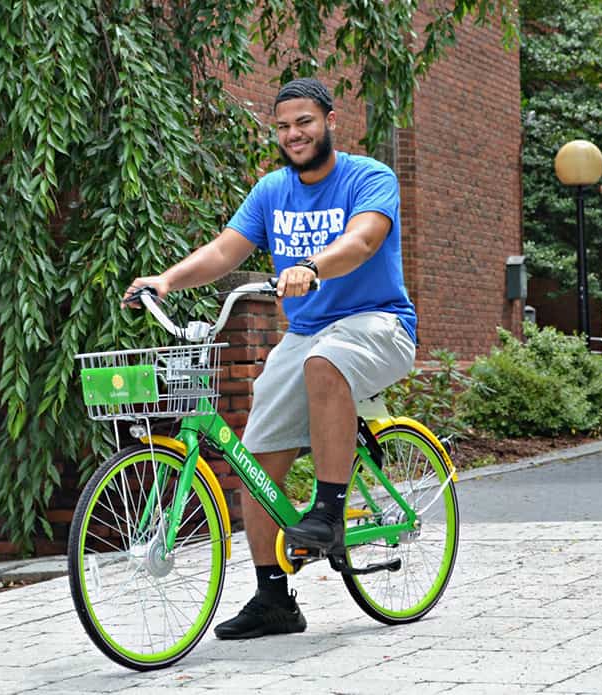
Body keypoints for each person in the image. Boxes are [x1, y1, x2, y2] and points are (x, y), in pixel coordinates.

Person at [123, 77, 417, 639]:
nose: (293, 134)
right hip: (307, 334)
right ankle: (274, 600)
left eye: (303, 122)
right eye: (282, 126)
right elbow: (224, 250)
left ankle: (328, 512)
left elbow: (361, 241)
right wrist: (166, 280)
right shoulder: (271, 190)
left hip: (379, 324)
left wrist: (313, 265)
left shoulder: (369, 177)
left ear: (331, 119)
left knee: (324, 364)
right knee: (254, 465)